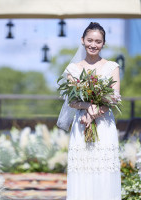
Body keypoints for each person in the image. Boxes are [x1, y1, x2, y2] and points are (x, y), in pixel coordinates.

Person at [57, 22, 121, 200]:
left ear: (103, 43)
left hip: (104, 125)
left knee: (104, 171)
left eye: (98, 41)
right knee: (83, 170)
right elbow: (71, 101)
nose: (93, 44)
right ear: (83, 40)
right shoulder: (73, 69)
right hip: (81, 124)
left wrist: (96, 111)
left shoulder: (112, 67)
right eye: (90, 40)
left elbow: (114, 98)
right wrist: (87, 107)